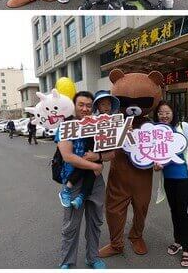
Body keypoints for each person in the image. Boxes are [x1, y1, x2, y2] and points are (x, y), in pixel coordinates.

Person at [58, 91, 112, 269]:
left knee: (95, 222)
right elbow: (67, 156)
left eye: (89, 105)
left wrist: (98, 156)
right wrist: (95, 165)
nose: (85, 108)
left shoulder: (100, 125)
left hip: (95, 181)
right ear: (74, 106)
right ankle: (67, 262)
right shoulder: (66, 126)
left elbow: (111, 153)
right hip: (73, 180)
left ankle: (93, 258)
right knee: (71, 225)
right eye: (81, 104)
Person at [153, 101, 188, 268]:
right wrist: (155, 165)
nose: (164, 116)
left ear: (173, 113)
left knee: (185, 213)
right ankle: (178, 241)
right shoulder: (156, 131)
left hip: (185, 179)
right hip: (168, 179)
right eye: (160, 113)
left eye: (167, 112)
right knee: (174, 211)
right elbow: (155, 155)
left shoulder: (183, 127)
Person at [59, 91, 119, 211]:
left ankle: (81, 197)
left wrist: (126, 130)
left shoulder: (115, 120)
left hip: (99, 154)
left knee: (92, 175)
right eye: (103, 104)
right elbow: (68, 156)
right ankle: (67, 188)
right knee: (84, 168)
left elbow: (114, 151)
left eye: (108, 104)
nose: (106, 107)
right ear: (97, 107)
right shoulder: (89, 120)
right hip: (87, 153)